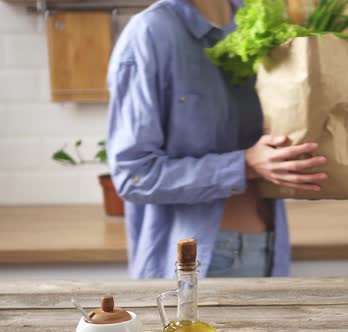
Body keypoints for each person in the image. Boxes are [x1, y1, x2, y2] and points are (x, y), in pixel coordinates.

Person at [107, 0, 327, 279]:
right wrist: (243, 165)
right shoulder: (152, 33)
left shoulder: (257, 20)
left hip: (272, 249)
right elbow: (133, 175)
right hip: (200, 262)